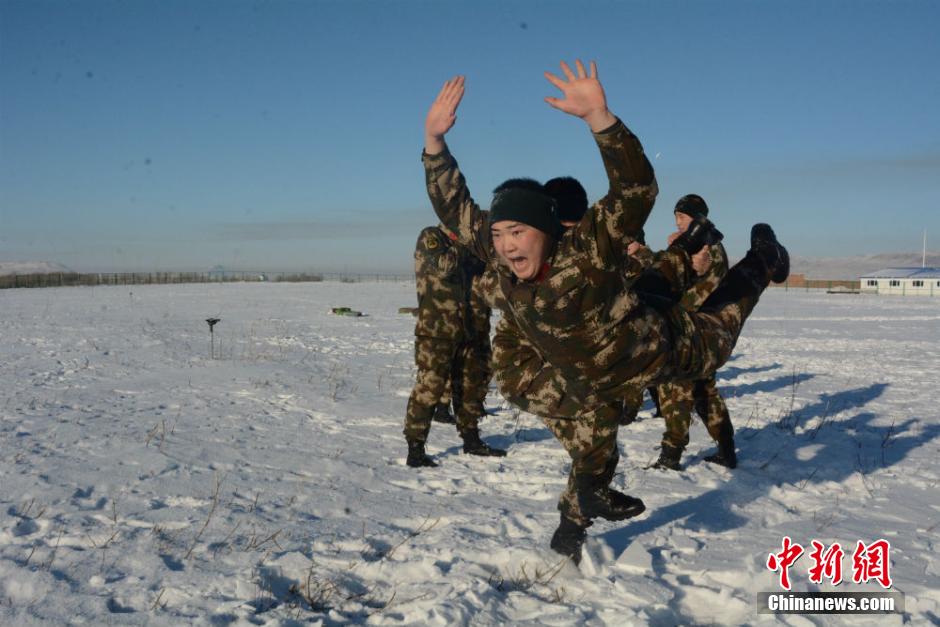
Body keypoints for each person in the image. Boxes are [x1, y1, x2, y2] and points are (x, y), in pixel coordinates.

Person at [421, 60, 788, 562]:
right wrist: (434, 141)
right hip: (581, 373)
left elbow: (634, 192)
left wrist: (600, 118)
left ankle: (763, 259)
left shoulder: (585, 252)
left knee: (718, 333)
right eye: (499, 234)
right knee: (594, 442)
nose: (506, 245)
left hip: (650, 350)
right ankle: (574, 524)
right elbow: (455, 208)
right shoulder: (503, 261)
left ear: (548, 232)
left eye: (518, 233)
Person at [403, 224, 506, 468]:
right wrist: (462, 241)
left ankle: (471, 439)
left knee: (471, 385)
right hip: (437, 331)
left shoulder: (472, 245)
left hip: (470, 329)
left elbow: (490, 280)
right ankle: (415, 448)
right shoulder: (432, 237)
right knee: (430, 387)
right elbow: (444, 267)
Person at [648, 194, 737, 470]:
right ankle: (726, 449)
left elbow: (693, 294)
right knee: (704, 390)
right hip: (704, 331)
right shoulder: (704, 244)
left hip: (692, 330)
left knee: (674, 387)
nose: (678, 222)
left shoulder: (707, 248)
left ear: (698, 218)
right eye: (676, 217)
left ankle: (671, 455)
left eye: (683, 217)